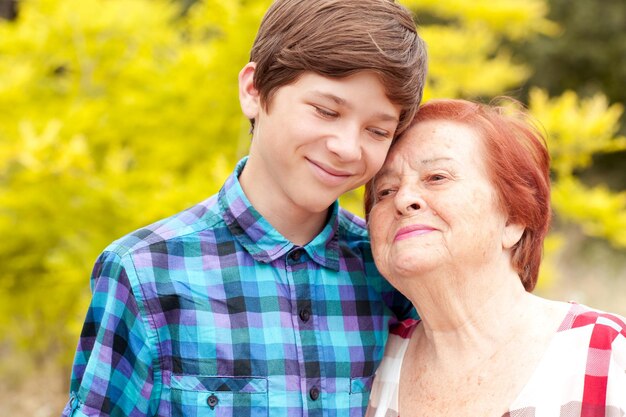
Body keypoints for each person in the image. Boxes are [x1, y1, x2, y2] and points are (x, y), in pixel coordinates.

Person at [61, 1, 428, 416]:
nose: (346, 147)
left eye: (377, 130)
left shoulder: (391, 269)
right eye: (326, 111)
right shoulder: (146, 272)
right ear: (254, 90)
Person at [363, 98, 626, 417]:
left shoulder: (607, 352)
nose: (403, 199)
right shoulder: (370, 363)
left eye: (437, 177)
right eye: (385, 191)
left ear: (514, 219)